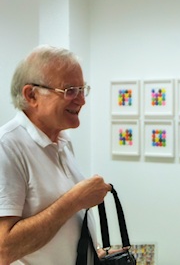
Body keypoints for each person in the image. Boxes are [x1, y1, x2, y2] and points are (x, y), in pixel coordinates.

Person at [0, 45, 111, 265]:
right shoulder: (7, 146)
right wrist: (74, 200)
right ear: (32, 95)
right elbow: (4, 249)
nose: (81, 100)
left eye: (82, 89)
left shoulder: (63, 141)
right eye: (70, 91)